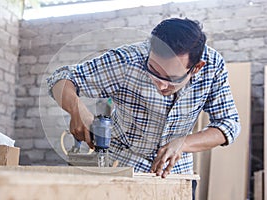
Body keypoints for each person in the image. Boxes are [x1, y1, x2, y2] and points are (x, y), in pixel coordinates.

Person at [47, 18, 240, 179]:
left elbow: (229, 124)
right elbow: (60, 78)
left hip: (176, 174)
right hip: (122, 169)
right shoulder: (127, 60)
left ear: (196, 68)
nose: (161, 85)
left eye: (172, 79)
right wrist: (76, 109)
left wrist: (183, 143)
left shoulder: (213, 67)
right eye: (154, 72)